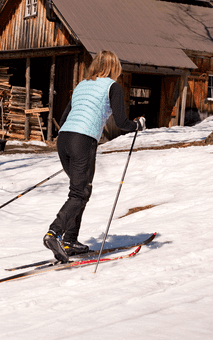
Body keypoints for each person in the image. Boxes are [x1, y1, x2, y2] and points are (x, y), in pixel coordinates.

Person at [43, 50, 146, 263]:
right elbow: (121, 123)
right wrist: (139, 125)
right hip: (83, 140)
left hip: (64, 139)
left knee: (80, 191)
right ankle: (54, 233)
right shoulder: (112, 87)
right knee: (80, 192)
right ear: (113, 68)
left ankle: (70, 240)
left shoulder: (82, 85)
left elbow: (63, 118)